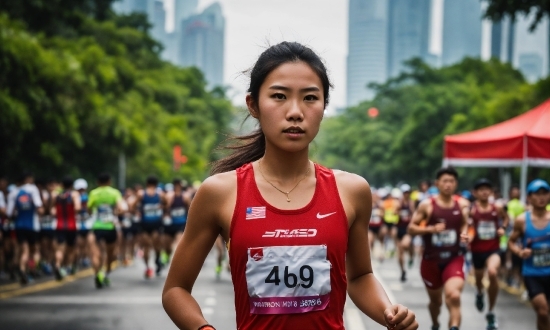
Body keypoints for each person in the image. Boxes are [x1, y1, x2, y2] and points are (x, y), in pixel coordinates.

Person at [162, 42, 417, 330]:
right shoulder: (220, 192)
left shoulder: (352, 191)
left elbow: (359, 277)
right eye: (279, 96)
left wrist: (389, 313)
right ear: (254, 105)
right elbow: (176, 290)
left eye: (310, 98)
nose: (295, 112)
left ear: (323, 107)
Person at [408, 167, 469, 330]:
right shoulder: (427, 205)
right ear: (437, 183)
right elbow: (411, 229)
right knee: (436, 302)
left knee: (454, 296)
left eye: (451, 181)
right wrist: (430, 229)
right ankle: (435, 324)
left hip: (454, 258)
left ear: (456, 183)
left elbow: (466, 222)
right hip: (431, 261)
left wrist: (464, 233)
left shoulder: (462, 204)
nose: (448, 184)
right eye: (445, 181)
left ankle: (454, 327)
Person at [508, 179, 550, 330]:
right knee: (543, 311)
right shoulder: (522, 220)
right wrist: (520, 252)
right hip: (532, 273)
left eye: (545, 193)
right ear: (529, 197)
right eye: (537, 194)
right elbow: (511, 242)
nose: (541, 197)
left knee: (545, 313)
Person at [469, 179, 509, 329]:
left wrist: (503, 229)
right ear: (476, 193)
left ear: (491, 192)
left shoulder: (497, 207)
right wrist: (468, 235)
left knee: (492, 272)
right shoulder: (472, 210)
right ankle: (479, 292)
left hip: (493, 249)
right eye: (481, 189)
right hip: (477, 251)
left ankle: (491, 312)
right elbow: (466, 226)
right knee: (479, 280)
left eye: (487, 189)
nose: (484, 192)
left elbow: (506, 218)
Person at [88, 173, 124, 288]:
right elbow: (121, 208)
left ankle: (98, 273)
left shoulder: (94, 193)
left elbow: (89, 208)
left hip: (97, 227)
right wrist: (115, 213)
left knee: (96, 254)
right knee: (110, 254)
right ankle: (106, 274)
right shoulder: (114, 192)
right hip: (110, 228)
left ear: (98, 182)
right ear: (109, 181)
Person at [6, 172, 44, 284]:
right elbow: (39, 207)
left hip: (19, 226)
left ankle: (22, 270)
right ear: (28, 179)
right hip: (32, 226)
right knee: (35, 251)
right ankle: (32, 269)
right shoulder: (32, 189)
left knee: (24, 251)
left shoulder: (13, 193)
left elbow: (9, 213)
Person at [51, 176, 81, 279]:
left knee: (60, 248)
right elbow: (78, 207)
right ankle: (67, 267)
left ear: (62, 185)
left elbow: (52, 209)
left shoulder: (56, 195)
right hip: (71, 226)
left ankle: (58, 265)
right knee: (71, 248)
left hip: (59, 225)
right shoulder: (74, 194)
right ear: (72, 185)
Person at [136, 175, 166, 278]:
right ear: (156, 184)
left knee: (146, 247)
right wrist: (162, 207)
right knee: (156, 245)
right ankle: (157, 260)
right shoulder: (160, 194)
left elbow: (132, 206)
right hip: (156, 224)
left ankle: (148, 267)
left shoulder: (141, 194)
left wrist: (137, 212)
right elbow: (167, 204)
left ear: (147, 183)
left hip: (145, 224)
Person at [163, 179, 190, 267]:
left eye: (179, 186)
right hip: (170, 224)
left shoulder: (185, 197)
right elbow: (165, 208)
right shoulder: (169, 196)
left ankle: (177, 263)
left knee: (178, 244)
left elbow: (190, 209)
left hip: (181, 223)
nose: (178, 187)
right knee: (167, 245)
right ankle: (167, 255)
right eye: (176, 185)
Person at [397, 184, 415, 282]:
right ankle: (402, 271)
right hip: (400, 229)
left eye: (408, 192)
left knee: (407, 246)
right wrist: (398, 211)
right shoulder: (399, 202)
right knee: (400, 252)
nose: (406, 194)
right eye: (405, 193)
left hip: (408, 229)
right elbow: (394, 213)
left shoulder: (411, 203)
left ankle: (411, 257)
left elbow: (414, 214)